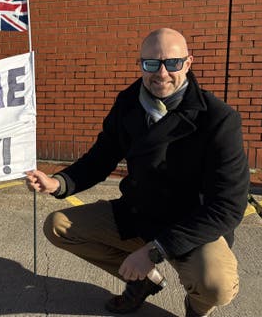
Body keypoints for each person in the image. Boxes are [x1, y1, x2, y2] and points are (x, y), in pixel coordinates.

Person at [26, 28, 249, 317]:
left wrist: (153, 251)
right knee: (58, 226)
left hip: (193, 226)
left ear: (189, 63)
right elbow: (102, 157)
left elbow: (228, 208)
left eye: (173, 63)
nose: (162, 73)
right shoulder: (129, 102)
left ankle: (197, 306)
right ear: (142, 64)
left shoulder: (218, 119)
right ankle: (142, 282)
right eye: (151, 64)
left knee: (215, 285)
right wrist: (58, 182)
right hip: (139, 213)